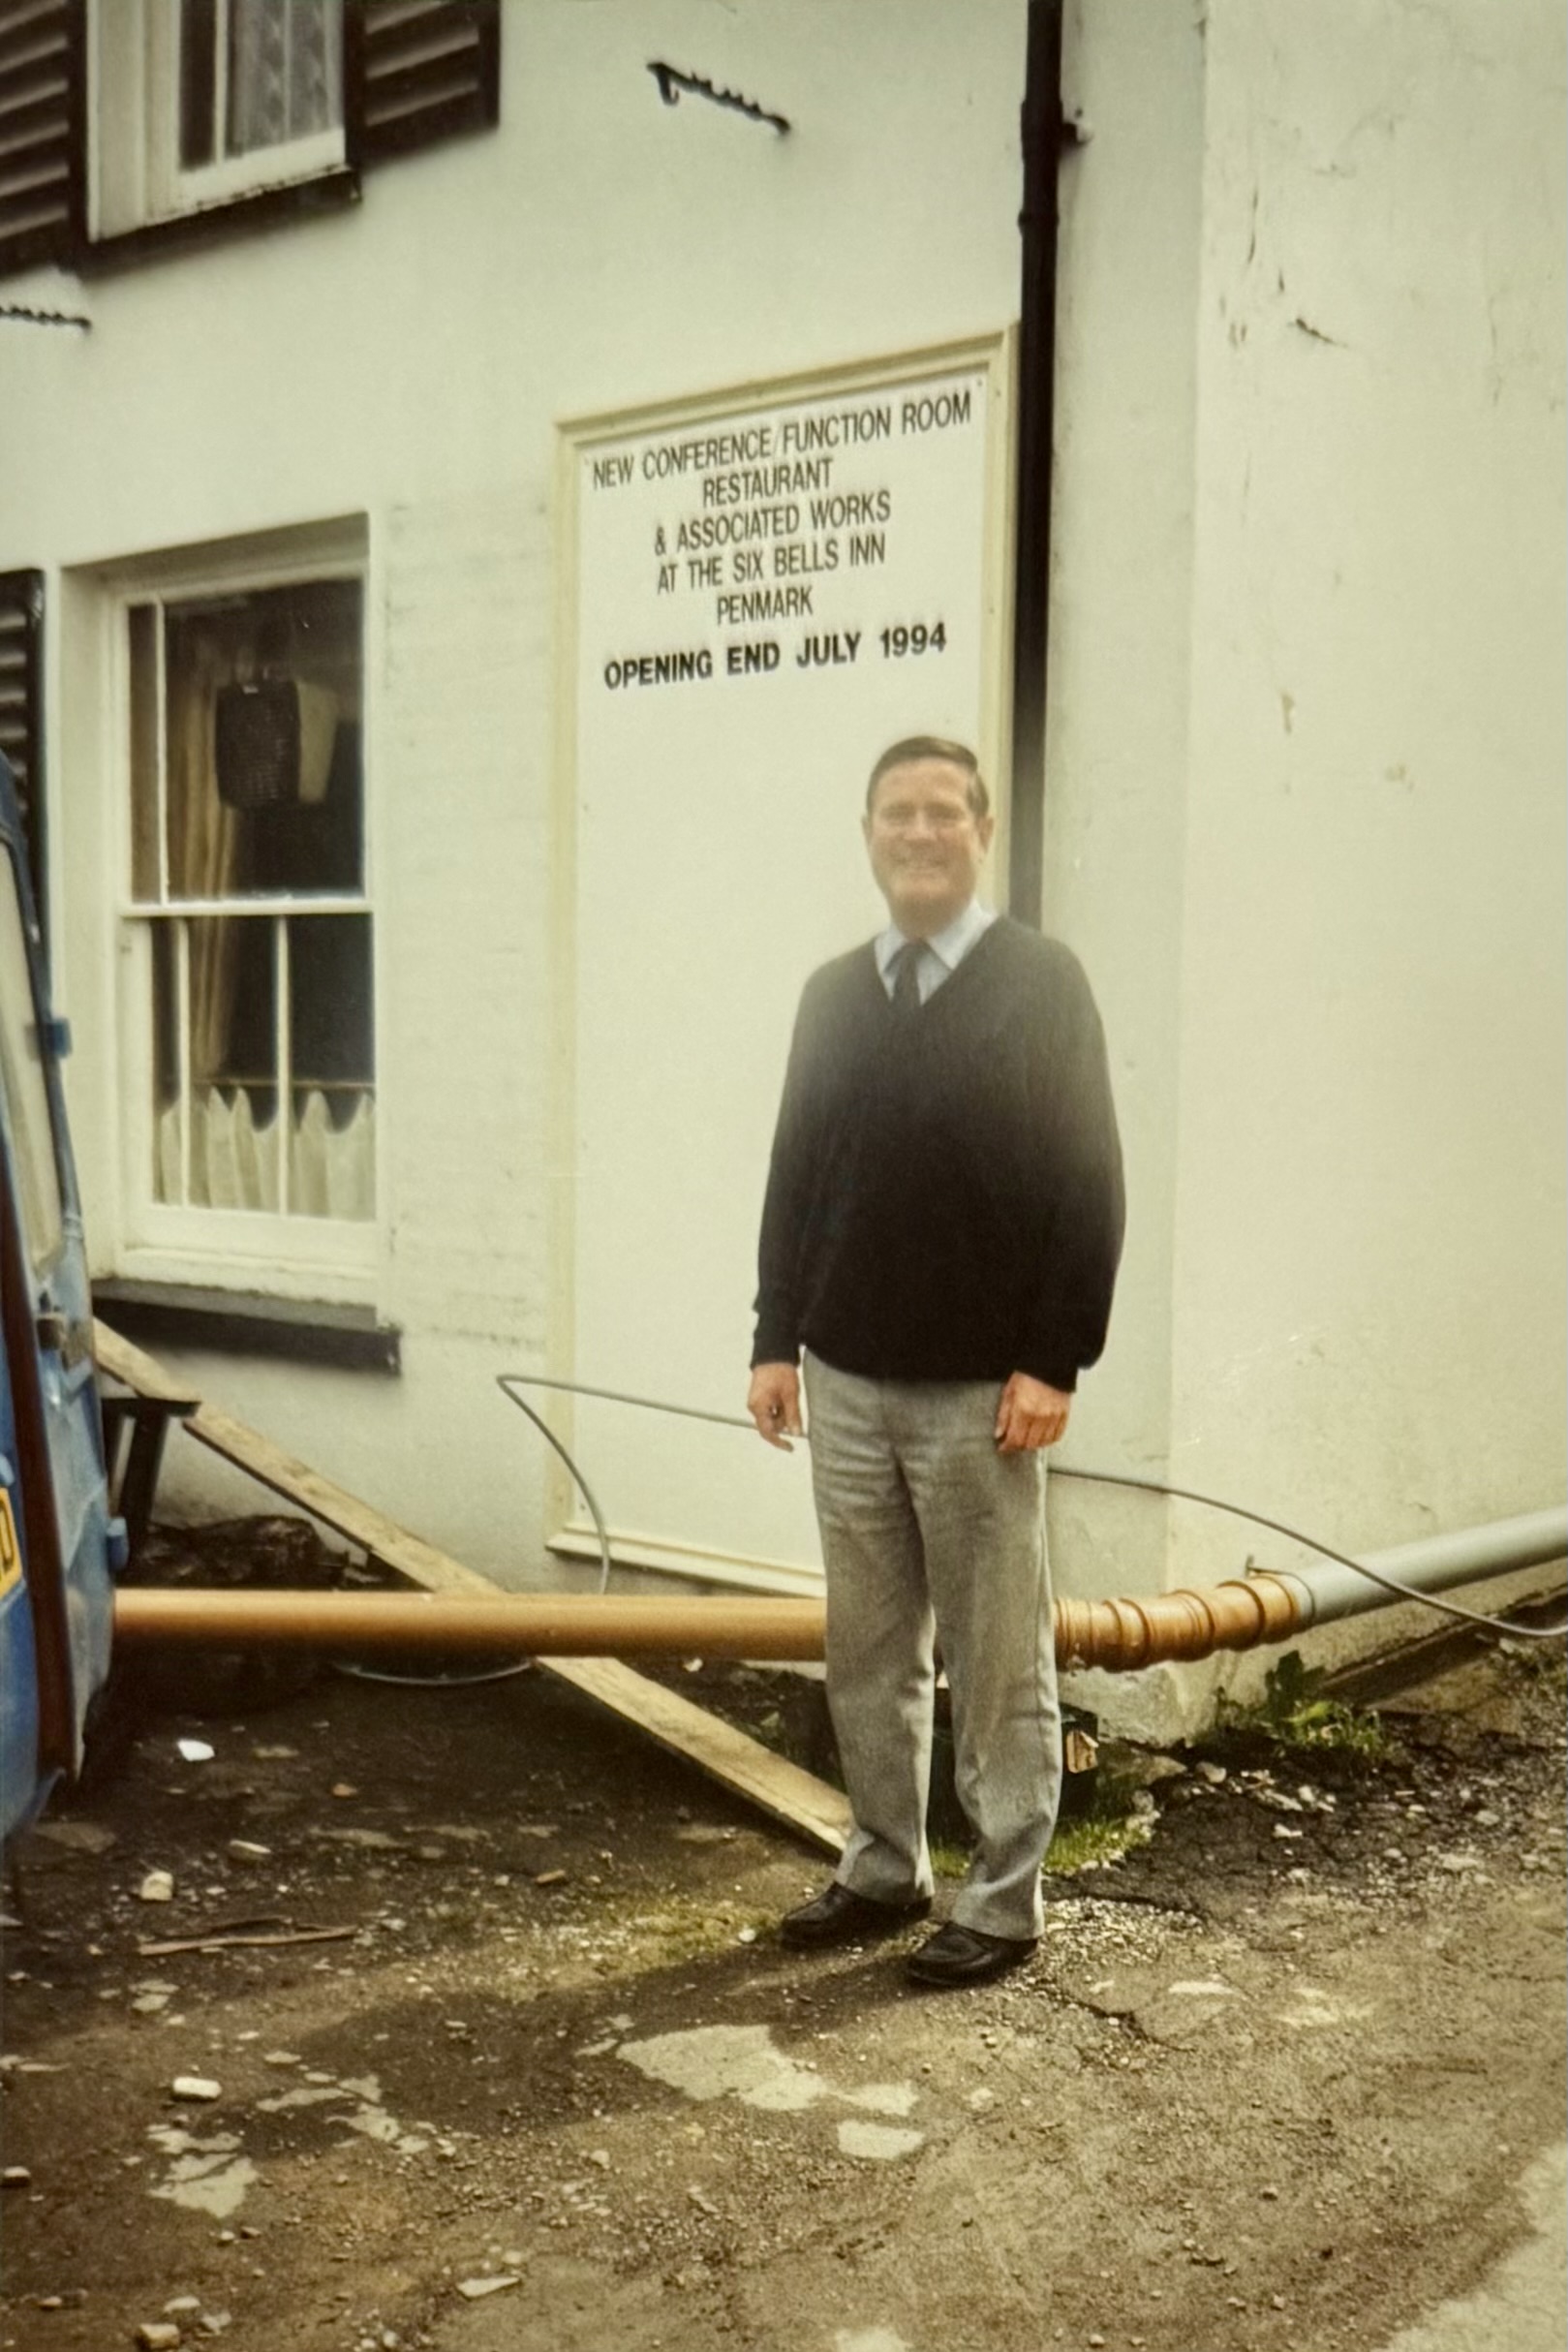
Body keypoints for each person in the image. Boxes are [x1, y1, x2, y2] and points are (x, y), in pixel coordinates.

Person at [747, 735, 1124, 1989]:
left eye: (942, 814)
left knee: (997, 1648)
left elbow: (1090, 1181)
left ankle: (1004, 1900)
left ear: (982, 831)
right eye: (896, 815)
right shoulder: (831, 992)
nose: (919, 834)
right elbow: (797, 1173)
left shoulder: (1043, 983)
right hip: (845, 1378)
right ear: (869, 834)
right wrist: (773, 1339)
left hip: (982, 1393)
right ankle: (883, 1865)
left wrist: (1052, 1359)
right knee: (867, 1643)